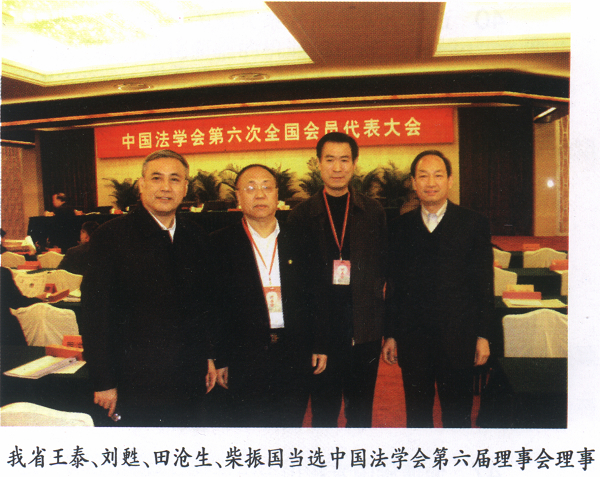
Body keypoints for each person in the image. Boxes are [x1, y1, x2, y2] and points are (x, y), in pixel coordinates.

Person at [80, 149, 217, 427]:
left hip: (189, 376)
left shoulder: (196, 236)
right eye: (156, 178)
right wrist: (104, 381)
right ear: (141, 185)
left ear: (185, 188)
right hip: (134, 381)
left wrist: (209, 356)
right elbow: (95, 316)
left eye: (175, 179)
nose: (166, 187)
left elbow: (204, 307)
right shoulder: (110, 237)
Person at [382, 150, 494, 428]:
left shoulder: (474, 223)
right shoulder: (399, 228)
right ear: (413, 182)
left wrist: (483, 335)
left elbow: (483, 283)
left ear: (450, 180)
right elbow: (394, 287)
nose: (430, 183)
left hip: (459, 339)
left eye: (438, 175)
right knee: (417, 416)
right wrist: (391, 334)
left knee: (457, 417)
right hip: (413, 341)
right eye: (423, 176)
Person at [210, 164, 327, 427]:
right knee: (249, 431)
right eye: (250, 188)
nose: (260, 194)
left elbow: (318, 295)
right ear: (238, 197)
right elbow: (214, 306)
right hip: (244, 356)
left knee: (289, 427)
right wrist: (220, 357)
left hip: (294, 352)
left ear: (277, 195)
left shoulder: (302, 238)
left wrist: (320, 343)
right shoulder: (219, 243)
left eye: (266, 187)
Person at [288, 132, 387, 428]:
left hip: (364, 332)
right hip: (323, 335)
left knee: (361, 414)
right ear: (318, 164)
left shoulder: (373, 211)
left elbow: (384, 269)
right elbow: (297, 283)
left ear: (355, 164)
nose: (337, 167)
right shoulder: (301, 215)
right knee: (324, 415)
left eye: (344, 160)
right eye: (330, 160)